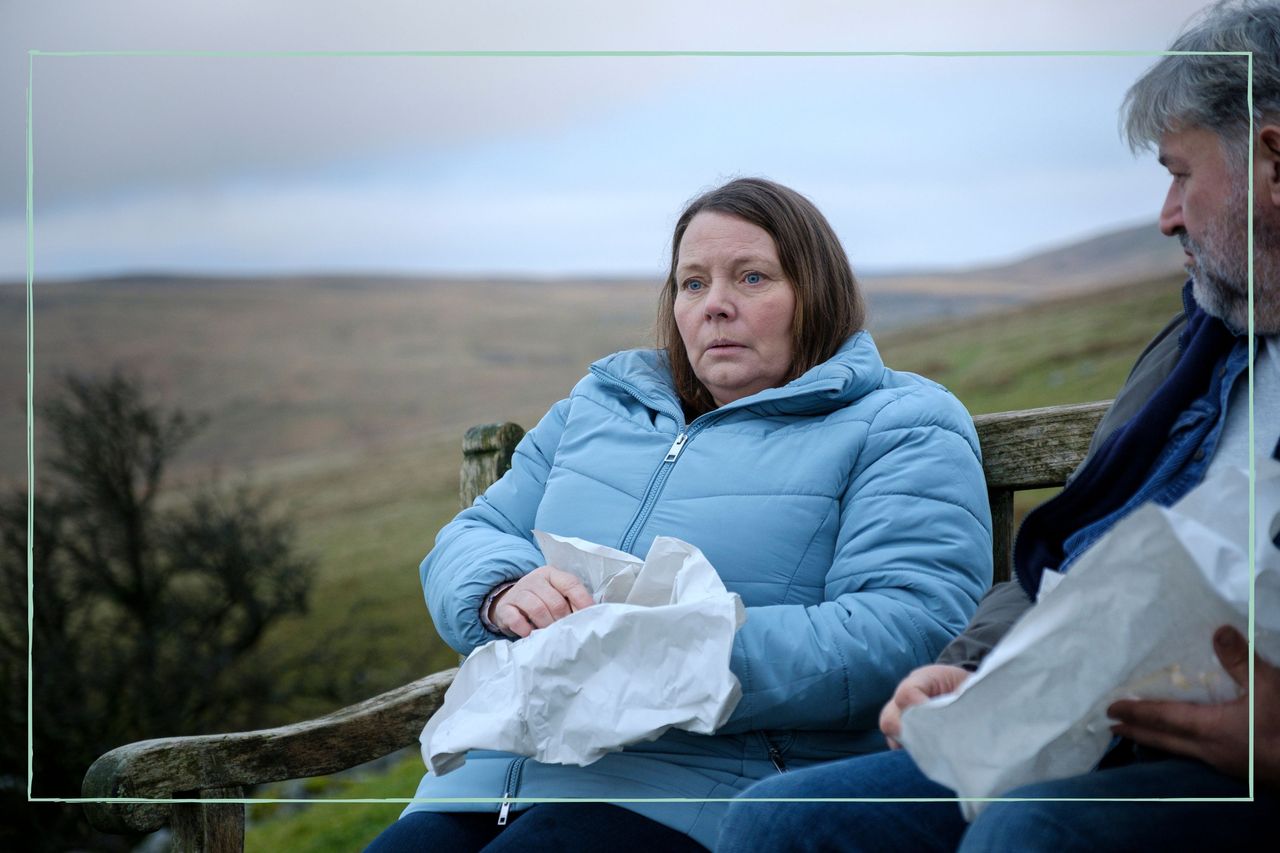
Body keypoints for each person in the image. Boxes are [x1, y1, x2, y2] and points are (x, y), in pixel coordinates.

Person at [716, 2, 1280, 851]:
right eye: (690, 284)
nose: (1167, 216)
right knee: (780, 821)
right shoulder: (1198, 345)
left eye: (1179, 173)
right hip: (1100, 728)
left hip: (1230, 764)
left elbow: (883, 613)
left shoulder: (899, 422)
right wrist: (976, 666)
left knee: (1028, 833)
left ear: (1272, 159)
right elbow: (1078, 543)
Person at [363, 177, 993, 852]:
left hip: (699, 785)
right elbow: (474, 534)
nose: (715, 305)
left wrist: (678, 654)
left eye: (751, 278)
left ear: (817, 293)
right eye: (692, 283)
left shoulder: (900, 422)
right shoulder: (600, 407)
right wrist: (503, 589)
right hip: (491, 776)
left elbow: (910, 623)